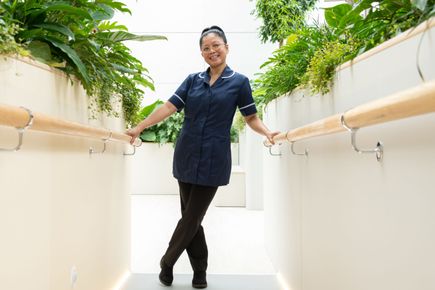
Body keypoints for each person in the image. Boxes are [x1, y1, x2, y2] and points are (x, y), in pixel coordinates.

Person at [127, 25, 279, 289]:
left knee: (192, 216)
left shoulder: (239, 82)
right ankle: (200, 273)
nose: (212, 51)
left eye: (216, 45)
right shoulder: (192, 80)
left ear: (227, 47)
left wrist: (266, 132)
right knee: (191, 217)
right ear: (201, 52)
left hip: (214, 157)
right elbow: (168, 107)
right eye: (206, 48)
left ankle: (167, 261)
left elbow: (250, 117)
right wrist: (140, 126)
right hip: (186, 154)